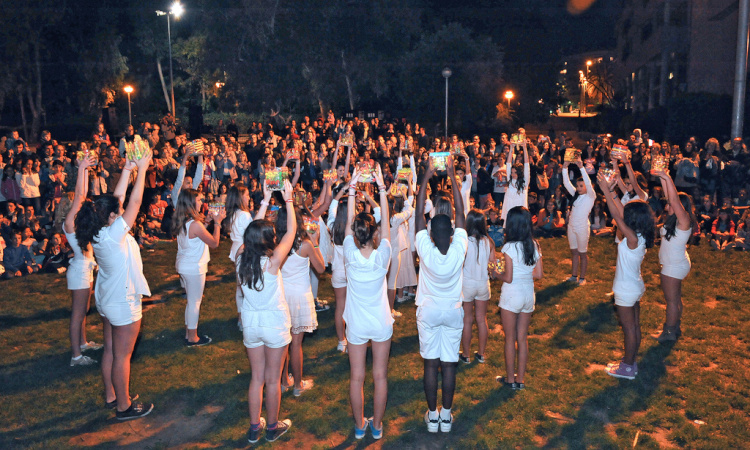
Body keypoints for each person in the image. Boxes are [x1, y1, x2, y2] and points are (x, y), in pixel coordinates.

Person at [75, 150, 153, 419]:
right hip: (122, 301)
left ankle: (112, 395)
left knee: (110, 350)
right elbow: (135, 200)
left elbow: (117, 200)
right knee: (122, 356)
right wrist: (142, 170)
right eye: (116, 213)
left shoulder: (99, 230)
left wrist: (128, 169)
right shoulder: (113, 234)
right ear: (111, 217)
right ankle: (124, 406)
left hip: (107, 299)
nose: (121, 213)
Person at [236, 180, 295, 443]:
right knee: (273, 380)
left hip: (251, 323)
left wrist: (265, 200)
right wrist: (289, 200)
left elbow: (249, 234)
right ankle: (272, 427)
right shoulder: (272, 262)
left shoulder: (240, 257)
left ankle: (253, 428)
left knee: (256, 378)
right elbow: (291, 230)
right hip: (274, 324)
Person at [414, 156, 468, 434]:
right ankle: (446, 417)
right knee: (449, 365)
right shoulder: (460, 246)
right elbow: (460, 211)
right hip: (453, 310)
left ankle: (432, 416)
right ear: (453, 231)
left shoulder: (425, 248)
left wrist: (426, 176)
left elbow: (417, 217)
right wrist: (452, 176)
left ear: (431, 234)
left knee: (430, 364)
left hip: (429, 310)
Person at [343, 165, 391, 440]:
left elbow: (351, 223)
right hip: (381, 322)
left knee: (357, 377)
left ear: (355, 232)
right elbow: (386, 227)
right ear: (372, 233)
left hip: (357, 325)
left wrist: (352, 188)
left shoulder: (349, 251)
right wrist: (382, 188)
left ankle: (361, 426)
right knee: (380, 376)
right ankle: (377, 426)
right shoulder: (382, 252)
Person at [597, 171, 655, 380]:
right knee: (635, 327)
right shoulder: (640, 235)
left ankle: (627, 366)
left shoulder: (632, 238)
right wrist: (610, 192)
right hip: (635, 287)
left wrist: (605, 191)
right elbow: (621, 213)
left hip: (626, 290)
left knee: (629, 329)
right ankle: (630, 362)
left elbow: (617, 217)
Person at [493, 206, 543, 390]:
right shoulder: (535, 244)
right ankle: (520, 379)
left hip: (512, 295)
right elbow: (538, 274)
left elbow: (508, 277)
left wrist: (495, 273)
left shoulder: (509, 247)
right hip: (528, 295)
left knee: (509, 338)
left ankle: (510, 380)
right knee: (522, 338)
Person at [277, 207, 325, 396]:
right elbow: (320, 268)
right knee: (296, 343)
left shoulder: (275, 242)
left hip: (281, 295)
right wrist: (315, 243)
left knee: (283, 342)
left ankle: (284, 381)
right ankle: (297, 385)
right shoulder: (304, 244)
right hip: (298, 297)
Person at [173, 189, 226, 346]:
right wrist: (217, 223)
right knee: (195, 302)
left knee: (191, 301)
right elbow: (214, 243)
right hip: (194, 267)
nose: (202, 202)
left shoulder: (184, 220)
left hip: (184, 265)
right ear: (191, 203)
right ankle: (192, 338)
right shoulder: (195, 224)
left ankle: (188, 332)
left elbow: (196, 235)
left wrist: (208, 222)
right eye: (199, 200)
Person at [64, 156, 101, 366]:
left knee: (84, 310)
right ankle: (76, 356)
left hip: (85, 270)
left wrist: (85, 169)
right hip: (79, 271)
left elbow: (83, 194)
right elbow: (80, 194)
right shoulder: (69, 223)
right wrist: (82, 169)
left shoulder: (77, 223)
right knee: (77, 314)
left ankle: (84, 343)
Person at [653, 167, 693, 342]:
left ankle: (668, 332)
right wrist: (662, 177)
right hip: (676, 263)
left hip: (674, 266)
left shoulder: (684, 220)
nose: (667, 205)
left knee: (670, 301)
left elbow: (674, 200)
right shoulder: (674, 221)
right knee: (675, 298)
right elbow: (671, 197)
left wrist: (668, 177)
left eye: (670, 204)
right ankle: (675, 327)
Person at [460, 209, 494, 364]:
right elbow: (492, 265)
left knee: (467, 319)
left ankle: (465, 354)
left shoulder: (464, 242)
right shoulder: (489, 241)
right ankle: (481, 353)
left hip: (467, 283)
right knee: (482, 319)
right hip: (483, 283)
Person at [562, 158, 595, 285]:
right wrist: (565, 168)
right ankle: (574, 275)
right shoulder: (576, 195)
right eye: (578, 186)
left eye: (582, 186)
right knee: (574, 252)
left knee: (582, 253)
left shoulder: (590, 197)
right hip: (572, 227)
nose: (579, 188)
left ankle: (582, 277)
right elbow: (566, 183)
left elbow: (588, 182)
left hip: (582, 228)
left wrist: (582, 167)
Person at [500, 141, 530, 223]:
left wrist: (524, 148)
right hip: (510, 208)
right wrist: (511, 148)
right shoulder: (510, 181)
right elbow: (508, 163)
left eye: (515, 172)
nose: (513, 174)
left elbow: (527, 164)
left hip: (521, 210)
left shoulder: (525, 181)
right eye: (512, 172)